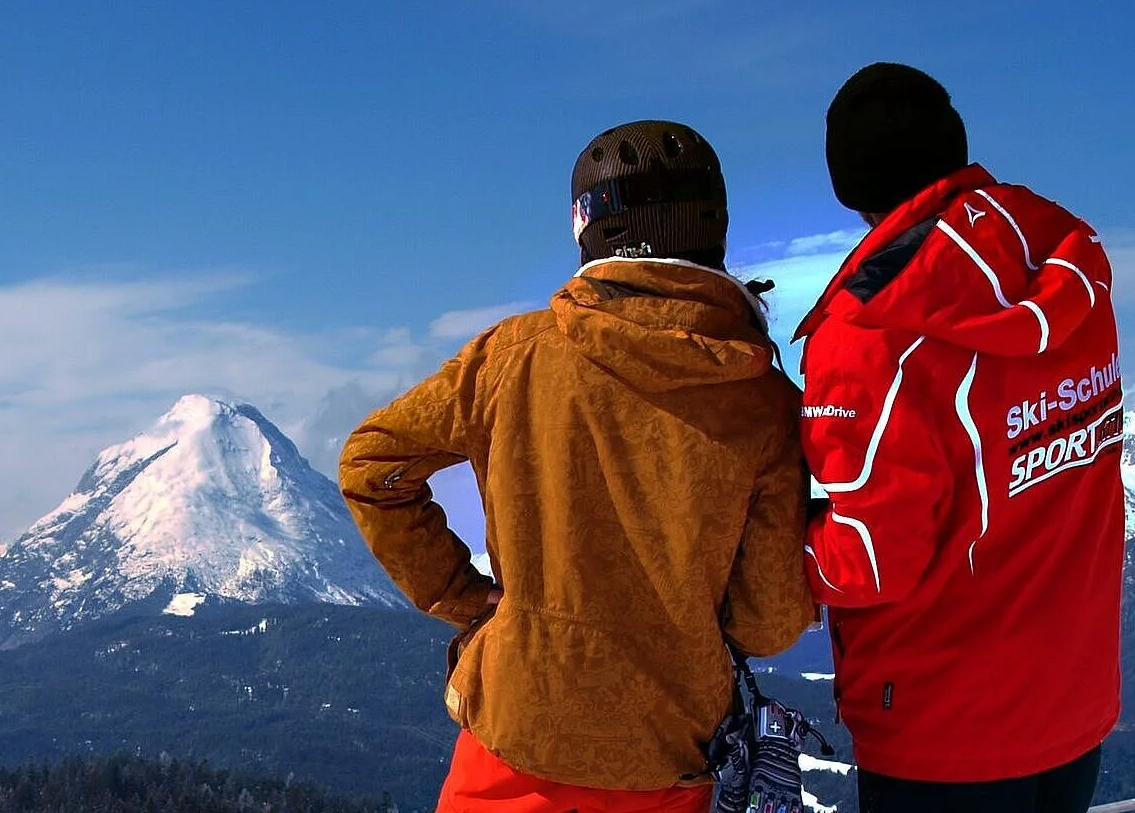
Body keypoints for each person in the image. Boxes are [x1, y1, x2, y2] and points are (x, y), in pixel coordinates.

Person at [339, 121, 817, 813]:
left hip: (514, 735)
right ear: (713, 228)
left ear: (588, 228)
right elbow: (768, 622)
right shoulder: (762, 398)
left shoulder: (513, 357)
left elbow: (372, 465)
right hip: (666, 755)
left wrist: (466, 599)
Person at [793, 63, 1125, 813]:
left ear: (847, 178)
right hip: (1072, 702)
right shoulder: (1066, 263)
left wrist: (777, 540)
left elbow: (875, 560)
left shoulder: (872, 332)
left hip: (943, 732)